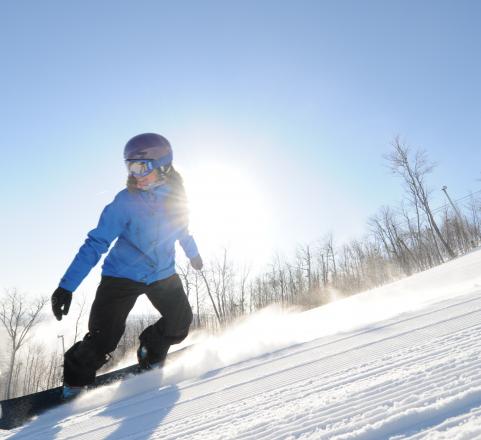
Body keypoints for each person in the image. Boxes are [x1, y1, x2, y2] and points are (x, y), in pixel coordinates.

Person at [51, 133, 203, 398]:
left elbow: (182, 231)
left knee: (179, 323)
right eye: (130, 167)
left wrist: (193, 254)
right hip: (121, 275)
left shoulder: (178, 198)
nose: (135, 174)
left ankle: (150, 350)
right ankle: (74, 385)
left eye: (141, 167)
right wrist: (67, 286)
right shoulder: (125, 202)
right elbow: (95, 243)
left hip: (161, 274)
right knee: (103, 338)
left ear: (163, 165)